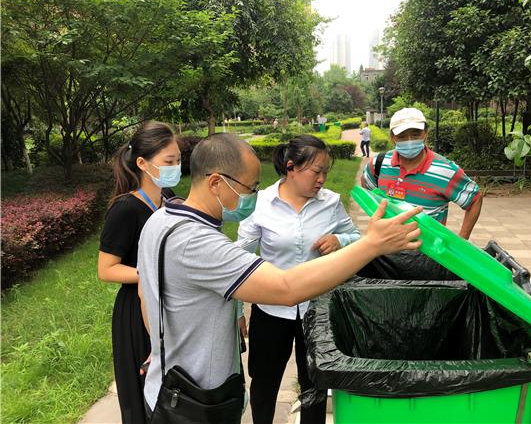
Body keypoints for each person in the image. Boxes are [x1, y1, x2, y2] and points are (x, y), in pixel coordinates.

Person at [137, 133, 422, 420]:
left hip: (166, 385)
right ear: (215, 182)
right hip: (196, 401)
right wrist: (371, 245)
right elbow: (287, 288)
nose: (253, 195)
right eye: (250, 187)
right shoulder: (200, 244)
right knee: (265, 380)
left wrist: (163, 347)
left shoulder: (161, 220)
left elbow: (145, 293)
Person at [237, 135, 360, 424]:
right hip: (270, 309)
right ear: (291, 167)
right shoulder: (262, 203)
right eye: (316, 172)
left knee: (314, 383)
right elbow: (238, 258)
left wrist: (340, 239)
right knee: (264, 381)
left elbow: (357, 237)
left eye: (326, 172)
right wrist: (235, 308)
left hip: (317, 311)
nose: (322, 179)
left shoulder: (330, 202)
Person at [97, 121, 181, 424]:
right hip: (135, 313)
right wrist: (150, 272)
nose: (176, 166)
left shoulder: (169, 197)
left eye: (178, 160)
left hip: (166, 305)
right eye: (168, 162)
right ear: (143, 163)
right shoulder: (125, 209)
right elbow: (106, 270)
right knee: (142, 396)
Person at [361, 107, 482, 239]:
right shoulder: (378, 163)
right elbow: (367, 187)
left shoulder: (445, 170)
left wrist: (461, 241)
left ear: (426, 133)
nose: (409, 140)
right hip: (385, 247)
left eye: (415, 133)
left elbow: (475, 199)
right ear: (392, 137)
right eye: (402, 135)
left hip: (427, 254)